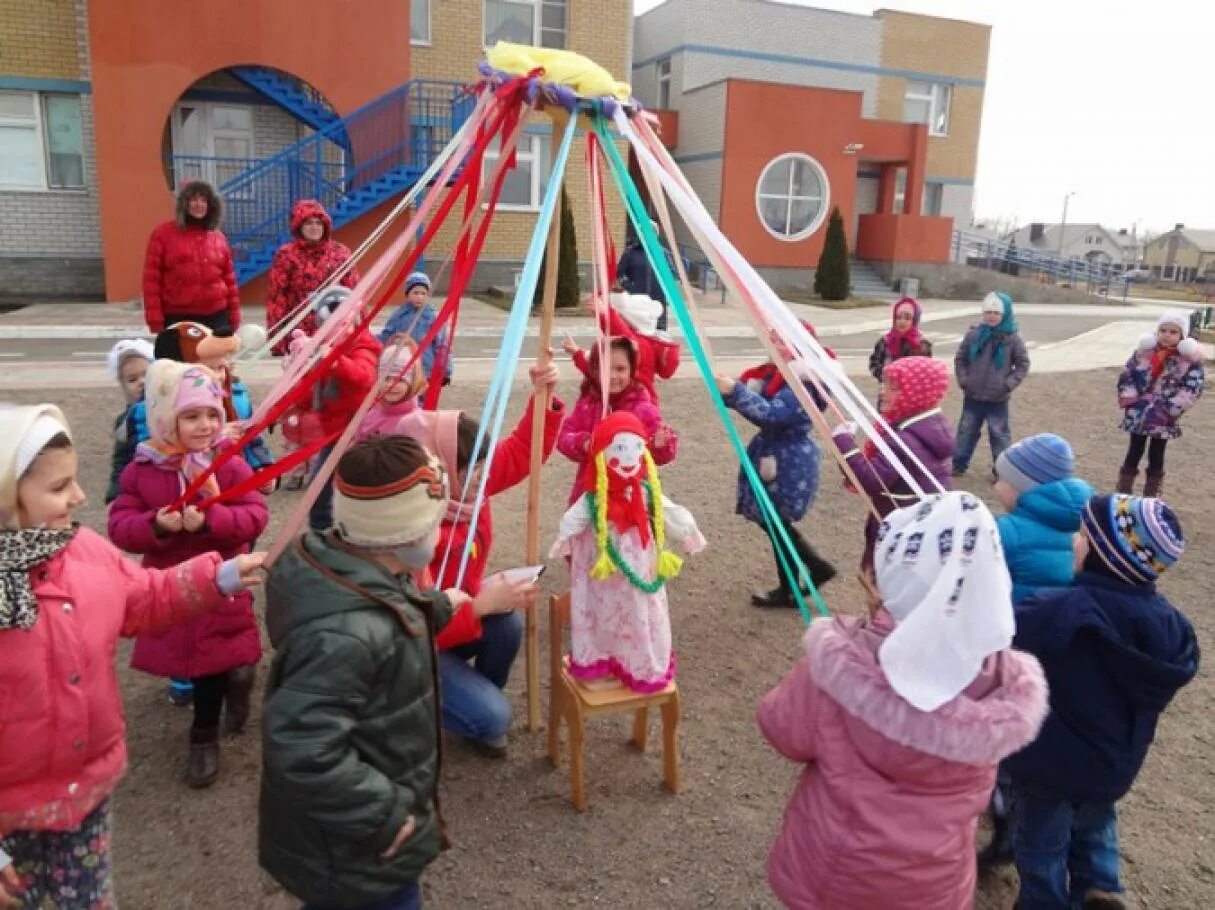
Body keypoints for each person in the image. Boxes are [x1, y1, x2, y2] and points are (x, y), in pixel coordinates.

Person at [0, 404, 264, 910]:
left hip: (86, 791)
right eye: (59, 489)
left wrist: (218, 577)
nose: (80, 497)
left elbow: (144, 598)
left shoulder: (81, 551)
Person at [260, 435, 531, 910]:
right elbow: (301, 747)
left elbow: (386, 605)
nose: (439, 529)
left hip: (357, 830)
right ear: (405, 535)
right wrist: (385, 815)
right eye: (434, 521)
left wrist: (441, 605)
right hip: (359, 843)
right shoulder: (343, 635)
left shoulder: (353, 565)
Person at [757, 491, 1048, 910]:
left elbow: (781, 728)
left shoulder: (841, 662)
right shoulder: (1002, 678)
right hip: (936, 883)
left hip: (839, 875)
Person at [1006, 494, 1199, 909]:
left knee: (1042, 842)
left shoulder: (1055, 611)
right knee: (1097, 825)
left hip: (1049, 762)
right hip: (1113, 760)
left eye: (1083, 536)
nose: (1074, 542)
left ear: (1105, 556)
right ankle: (1102, 890)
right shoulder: (1171, 626)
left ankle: (1044, 902)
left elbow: (1008, 640)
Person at [108, 361, 269, 788]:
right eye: (191, 415)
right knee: (197, 660)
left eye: (213, 414)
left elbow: (255, 516)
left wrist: (212, 519)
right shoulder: (142, 471)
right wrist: (157, 526)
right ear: (165, 417)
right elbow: (120, 526)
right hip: (172, 583)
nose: (204, 425)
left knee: (215, 658)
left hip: (223, 582)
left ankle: (204, 736)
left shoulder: (228, 464)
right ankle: (227, 689)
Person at [392, 360, 564, 756]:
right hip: (415, 644)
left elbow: (522, 452)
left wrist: (543, 397)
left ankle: (467, 698)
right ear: (441, 468)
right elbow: (413, 625)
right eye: (474, 471)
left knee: (508, 624)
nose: (485, 478)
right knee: (494, 718)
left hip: (455, 615)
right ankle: (421, 705)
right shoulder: (409, 530)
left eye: (485, 468)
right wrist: (483, 604)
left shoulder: (469, 493)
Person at [551, 412, 706, 692]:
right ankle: (601, 660)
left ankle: (639, 663)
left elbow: (668, 510)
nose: (628, 458)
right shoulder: (593, 498)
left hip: (639, 570)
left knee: (639, 612)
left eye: (635, 449)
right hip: (603, 570)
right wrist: (565, 538)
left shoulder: (644, 492)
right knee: (600, 612)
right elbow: (575, 517)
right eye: (619, 449)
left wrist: (687, 533)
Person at [715, 324, 835, 608]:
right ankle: (809, 572)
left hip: (788, 461)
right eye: (772, 340)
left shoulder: (803, 381)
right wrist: (729, 391)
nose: (775, 346)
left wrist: (736, 392)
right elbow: (760, 404)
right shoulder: (776, 376)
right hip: (775, 456)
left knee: (776, 524)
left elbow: (773, 414)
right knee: (775, 524)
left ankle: (799, 580)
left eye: (782, 341)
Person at [831, 356, 954, 573]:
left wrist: (844, 443)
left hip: (898, 531)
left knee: (884, 588)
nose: (883, 391)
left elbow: (872, 480)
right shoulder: (927, 427)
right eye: (884, 383)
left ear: (917, 395)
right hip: (912, 527)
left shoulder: (904, 440)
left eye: (894, 387)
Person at [285, 288, 382, 531]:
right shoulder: (324, 349)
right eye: (332, 326)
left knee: (353, 491)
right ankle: (321, 534)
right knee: (320, 492)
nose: (339, 330)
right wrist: (288, 401)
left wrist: (333, 360)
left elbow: (363, 377)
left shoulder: (365, 346)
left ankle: (353, 534)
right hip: (333, 434)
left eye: (345, 323)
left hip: (358, 435)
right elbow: (311, 391)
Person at [558, 336, 678, 504]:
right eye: (605, 369)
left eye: (620, 369)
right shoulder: (587, 405)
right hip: (592, 492)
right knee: (575, 526)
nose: (613, 376)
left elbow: (662, 456)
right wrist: (584, 443)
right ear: (594, 370)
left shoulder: (643, 409)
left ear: (632, 370)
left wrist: (660, 445)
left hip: (632, 496)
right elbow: (564, 438)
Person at [993, 433, 1093, 602]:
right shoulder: (1085, 528)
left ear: (1021, 487)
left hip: (1017, 620)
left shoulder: (1005, 531)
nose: (996, 486)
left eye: (1002, 479)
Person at [1115, 311, 1204, 497]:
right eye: (1163, 330)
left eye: (1173, 332)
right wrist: (1131, 399)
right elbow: (1127, 375)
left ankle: (1151, 494)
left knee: (1157, 454)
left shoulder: (1188, 362)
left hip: (1162, 416)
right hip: (1139, 413)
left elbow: (1192, 388)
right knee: (1134, 450)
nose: (1167, 335)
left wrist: (1171, 408)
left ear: (1182, 336)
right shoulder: (1143, 354)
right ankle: (1123, 491)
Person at [141, 179, 241, 335]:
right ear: (184, 204)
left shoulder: (218, 237)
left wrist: (234, 315)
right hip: (178, 318)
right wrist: (155, 319)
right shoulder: (163, 235)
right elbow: (152, 280)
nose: (198, 204)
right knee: (180, 360)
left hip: (216, 317)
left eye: (203, 200)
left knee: (215, 360)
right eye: (193, 199)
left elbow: (229, 280)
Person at [265, 199, 361, 355]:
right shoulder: (286, 254)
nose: (315, 227)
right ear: (299, 226)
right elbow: (277, 298)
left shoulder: (340, 253)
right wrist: (277, 338)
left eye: (318, 223)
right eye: (309, 223)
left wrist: (359, 328)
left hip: (334, 331)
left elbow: (354, 292)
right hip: (298, 335)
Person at [952, 292, 1030, 480]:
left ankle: (1001, 470)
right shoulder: (974, 335)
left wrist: (1008, 384)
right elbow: (961, 358)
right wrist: (964, 380)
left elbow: (1022, 364)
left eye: (996, 312)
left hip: (998, 399)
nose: (992, 316)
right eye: (988, 312)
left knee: (1000, 436)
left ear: (1005, 314)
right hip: (973, 396)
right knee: (966, 432)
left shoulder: (1012, 339)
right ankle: (958, 464)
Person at [563, 291, 681, 404]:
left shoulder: (639, 346)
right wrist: (577, 353)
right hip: (627, 407)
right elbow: (596, 371)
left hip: (636, 410)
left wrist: (605, 314)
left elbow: (620, 332)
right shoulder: (636, 346)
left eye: (621, 317)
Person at [378, 272, 452, 385]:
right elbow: (386, 338)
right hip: (403, 368)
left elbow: (442, 345)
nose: (419, 297)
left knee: (423, 399)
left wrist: (445, 370)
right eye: (415, 293)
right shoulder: (398, 315)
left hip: (426, 370)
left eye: (423, 293)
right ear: (407, 294)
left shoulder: (433, 317)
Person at [104, 339, 154, 505]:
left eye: (146, 375)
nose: (142, 382)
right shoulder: (124, 421)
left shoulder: (171, 408)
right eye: (132, 380)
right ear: (123, 386)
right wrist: (115, 492)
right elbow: (120, 459)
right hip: (139, 484)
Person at [868, 296, 932, 409]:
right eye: (898, 317)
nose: (902, 322)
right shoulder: (885, 341)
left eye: (907, 318)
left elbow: (925, 373)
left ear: (914, 320)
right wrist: (885, 375)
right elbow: (874, 363)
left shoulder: (921, 345)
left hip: (911, 398)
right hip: (887, 395)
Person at [616, 223, 670, 330]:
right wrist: (630, 287)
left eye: (651, 232)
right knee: (637, 332)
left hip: (657, 301)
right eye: (643, 232)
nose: (646, 235)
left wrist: (666, 290)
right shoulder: (630, 252)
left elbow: (672, 273)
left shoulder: (662, 253)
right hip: (637, 301)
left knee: (658, 333)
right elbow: (620, 273)